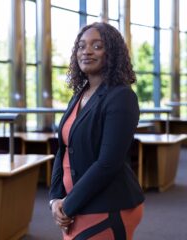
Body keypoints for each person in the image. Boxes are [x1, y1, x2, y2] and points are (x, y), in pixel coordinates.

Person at [49, 22, 144, 240]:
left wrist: (68, 205)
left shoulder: (121, 96)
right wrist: (55, 199)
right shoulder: (79, 95)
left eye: (97, 46)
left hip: (108, 204)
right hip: (75, 205)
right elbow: (63, 149)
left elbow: (108, 163)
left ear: (112, 53)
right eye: (81, 46)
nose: (87, 51)